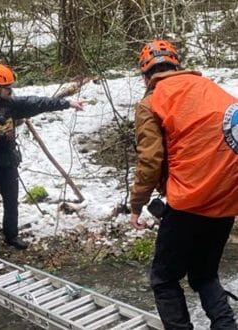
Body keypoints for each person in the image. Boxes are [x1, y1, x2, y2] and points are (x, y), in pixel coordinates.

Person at [129, 39, 238, 329]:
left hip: (188, 201)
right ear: (176, 65)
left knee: (164, 278)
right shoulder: (213, 90)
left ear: (146, 75)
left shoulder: (152, 101)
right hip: (227, 200)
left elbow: (150, 160)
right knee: (204, 275)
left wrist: (136, 204)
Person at [0, 63, 84, 256]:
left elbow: (39, 103)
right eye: (7, 88)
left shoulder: (13, 104)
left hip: (9, 162)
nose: (11, 91)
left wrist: (67, 104)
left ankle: (11, 236)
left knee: (12, 201)